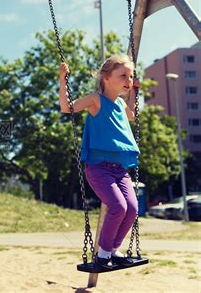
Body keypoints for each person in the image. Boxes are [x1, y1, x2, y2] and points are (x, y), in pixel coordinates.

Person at [59, 55, 140, 270]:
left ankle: (113, 250)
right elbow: (68, 107)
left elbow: (132, 115)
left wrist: (135, 92)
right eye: (123, 75)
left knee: (131, 209)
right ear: (106, 78)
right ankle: (103, 254)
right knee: (117, 207)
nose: (128, 80)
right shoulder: (96, 99)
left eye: (130, 76)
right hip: (98, 168)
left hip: (120, 170)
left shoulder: (121, 103)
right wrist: (62, 79)